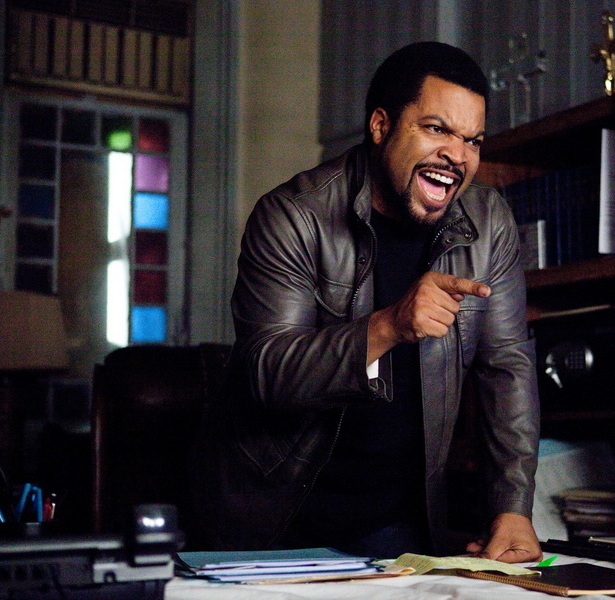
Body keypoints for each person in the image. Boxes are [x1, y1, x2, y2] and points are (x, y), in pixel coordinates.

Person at [189, 41, 541, 563]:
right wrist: (389, 326)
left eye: (473, 140)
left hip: (393, 522)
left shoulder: (488, 222)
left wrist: (512, 507)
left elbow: (507, 366)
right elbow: (267, 373)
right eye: (437, 129)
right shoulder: (293, 216)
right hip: (269, 518)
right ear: (380, 126)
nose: (458, 155)